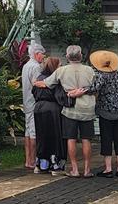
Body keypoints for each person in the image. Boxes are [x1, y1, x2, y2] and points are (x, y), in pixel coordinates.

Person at [34, 45, 95, 178]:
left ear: (67, 57)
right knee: (86, 139)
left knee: (71, 139)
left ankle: (74, 169)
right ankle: (87, 170)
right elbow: (95, 87)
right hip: (87, 109)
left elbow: (45, 83)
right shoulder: (90, 70)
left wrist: (35, 82)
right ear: (81, 56)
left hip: (70, 108)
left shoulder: (61, 70)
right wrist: (84, 90)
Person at [70, 50, 118, 178]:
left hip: (106, 112)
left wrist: (80, 91)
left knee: (107, 139)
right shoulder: (117, 74)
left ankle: (108, 169)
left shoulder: (101, 75)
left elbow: (93, 89)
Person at [32, 57, 66, 175]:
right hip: (53, 109)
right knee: (54, 136)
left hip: (38, 107)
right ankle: (55, 162)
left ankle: (41, 162)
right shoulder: (55, 79)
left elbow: (34, 92)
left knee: (41, 136)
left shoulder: (39, 78)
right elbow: (60, 96)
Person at [22, 43, 45, 169]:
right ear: (37, 54)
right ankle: (33, 160)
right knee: (33, 132)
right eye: (42, 54)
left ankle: (28, 159)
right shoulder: (36, 67)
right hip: (33, 102)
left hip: (26, 102)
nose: (43, 57)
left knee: (27, 131)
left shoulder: (26, 65)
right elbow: (37, 84)